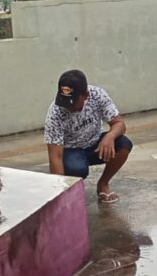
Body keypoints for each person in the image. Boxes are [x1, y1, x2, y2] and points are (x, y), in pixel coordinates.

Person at [44, 69, 133, 203]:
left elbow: (119, 123)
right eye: (64, 101)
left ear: (85, 95)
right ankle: (71, 190)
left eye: (73, 102)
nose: (68, 106)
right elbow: (55, 157)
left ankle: (103, 184)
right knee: (77, 169)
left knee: (124, 145)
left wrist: (110, 136)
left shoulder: (97, 95)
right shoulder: (55, 112)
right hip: (71, 150)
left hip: (96, 144)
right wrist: (60, 197)